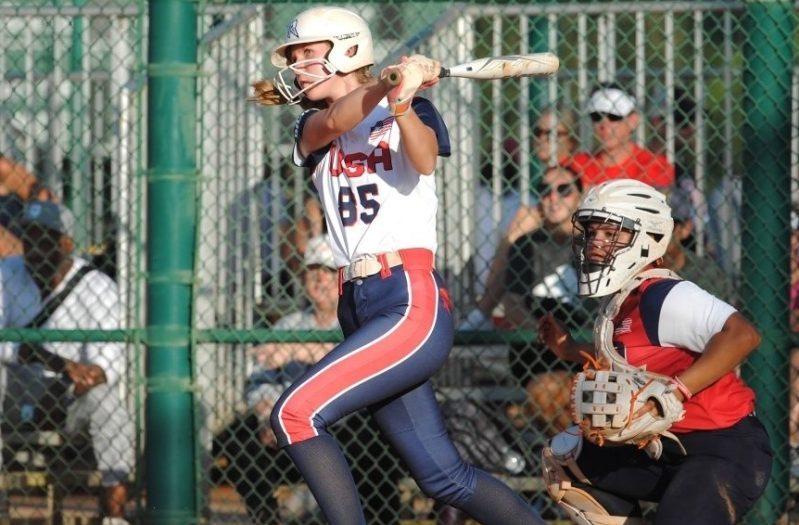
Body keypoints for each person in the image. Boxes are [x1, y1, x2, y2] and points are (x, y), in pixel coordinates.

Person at [255, 6, 546, 524]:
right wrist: (387, 84)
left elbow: (425, 158)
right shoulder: (309, 125)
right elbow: (338, 120)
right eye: (294, 56)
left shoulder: (409, 108)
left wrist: (405, 98)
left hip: (408, 297)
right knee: (443, 477)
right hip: (357, 303)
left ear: (346, 50)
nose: (297, 66)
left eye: (307, 55)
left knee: (295, 414)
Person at [538, 179, 772, 524]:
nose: (595, 245)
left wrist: (676, 391)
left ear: (647, 239)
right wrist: (570, 349)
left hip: (722, 448)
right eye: (592, 233)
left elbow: (743, 335)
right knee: (564, 459)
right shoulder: (626, 299)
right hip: (665, 447)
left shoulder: (663, 295)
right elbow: (633, 359)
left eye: (611, 234)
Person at [13, 201, 135, 525]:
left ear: (67, 243)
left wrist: (79, 379)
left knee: (107, 401)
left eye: (45, 239)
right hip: (13, 392)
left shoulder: (97, 287)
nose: (33, 250)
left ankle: (114, 516)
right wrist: (55, 360)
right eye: (28, 239)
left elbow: (101, 371)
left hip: (66, 401)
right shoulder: (6, 274)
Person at [461, 107, 579, 330]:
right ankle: (484, 311)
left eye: (553, 134)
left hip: (572, 240)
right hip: (546, 249)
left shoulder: (575, 171)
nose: (543, 139)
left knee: (520, 225)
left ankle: (482, 312)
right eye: (539, 132)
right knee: (519, 223)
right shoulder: (546, 173)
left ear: (571, 141)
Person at [500, 166, 586, 438]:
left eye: (563, 189)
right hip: (537, 348)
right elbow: (512, 303)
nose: (553, 197)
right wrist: (542, 335)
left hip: (582, 344)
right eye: (544, 190)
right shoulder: (526, 245)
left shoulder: (594, 244)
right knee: (549, 390)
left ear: (580, 197)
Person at [570, 83, 675, 191]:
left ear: (633, 121)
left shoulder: (655, 167)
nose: (604, 124)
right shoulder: (576, 166)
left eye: (614, 117)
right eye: (597, 116)